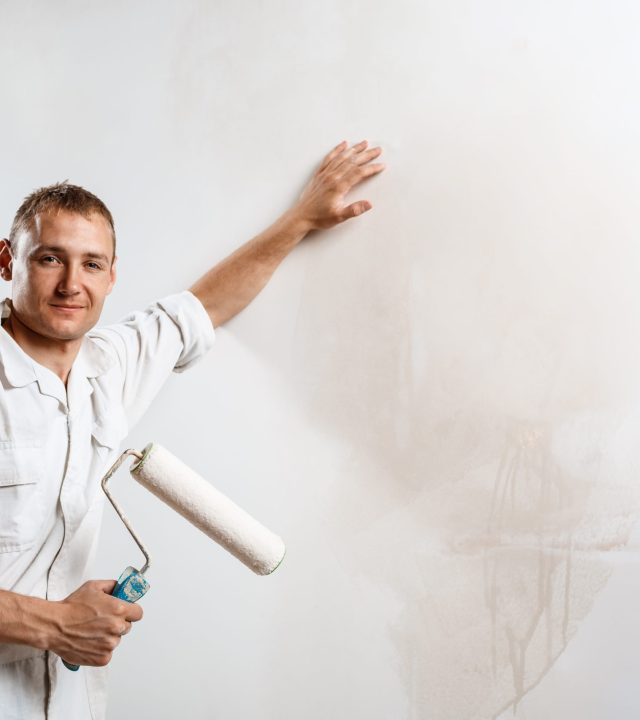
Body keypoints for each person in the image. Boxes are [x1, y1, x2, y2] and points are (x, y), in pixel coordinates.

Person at [0, 139, 384, 719]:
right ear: (6, 261)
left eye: (92, 264)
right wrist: (55, 623)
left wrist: (302, 218)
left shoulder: (110, 366)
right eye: (49, 258)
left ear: (111, 276)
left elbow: (203, 307)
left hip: (63, 701)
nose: (71, 284)